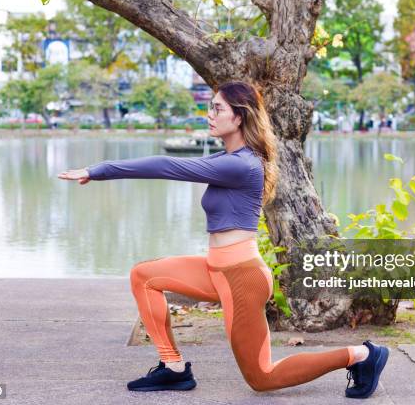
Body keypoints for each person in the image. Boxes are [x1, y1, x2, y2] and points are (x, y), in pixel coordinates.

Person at [57, 81, 389, 398]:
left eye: (217, 108)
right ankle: (173, 368)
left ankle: (360, 355)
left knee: (262, 377)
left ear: (240, 116)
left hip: (241, 279)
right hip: (217, 269)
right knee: (143, 276)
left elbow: (165, 165)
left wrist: (98, 170)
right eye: (210, 108)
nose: (209, 114)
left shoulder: (241, 166)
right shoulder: (227, 160)